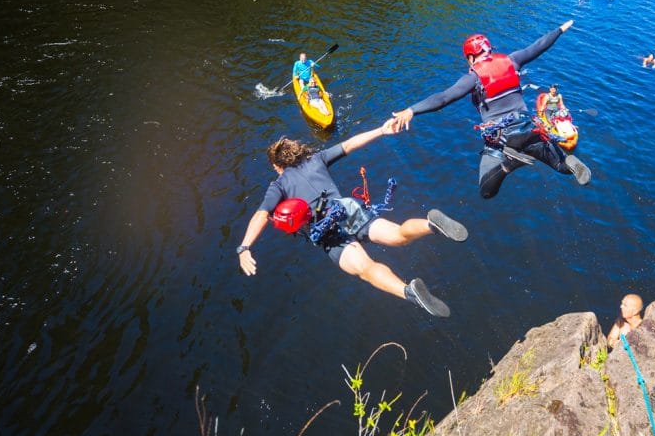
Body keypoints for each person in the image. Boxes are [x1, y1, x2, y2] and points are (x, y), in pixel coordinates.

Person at [236, 120, 468, 317]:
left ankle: (409, 291)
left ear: (277, 166)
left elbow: (261, 215)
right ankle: (430, 224)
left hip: (328, 233)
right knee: (398, 234)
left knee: (366, 268)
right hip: (348, 209)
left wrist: (245, 247)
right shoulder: (316, 159)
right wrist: (381, 130)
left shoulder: (278, 185)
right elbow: (348, 145)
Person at [390, 21, 591, 199]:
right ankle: (570, 161)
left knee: (486, 191)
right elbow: (537, 47)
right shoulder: (512, 61)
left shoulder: (473, 77)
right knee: (562, 167)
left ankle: (507, 164)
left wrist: (412, 110)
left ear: (470, 58)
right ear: (489, 50)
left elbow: (443, 98)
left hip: (500, 138)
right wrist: (559, 30)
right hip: (528, 128)